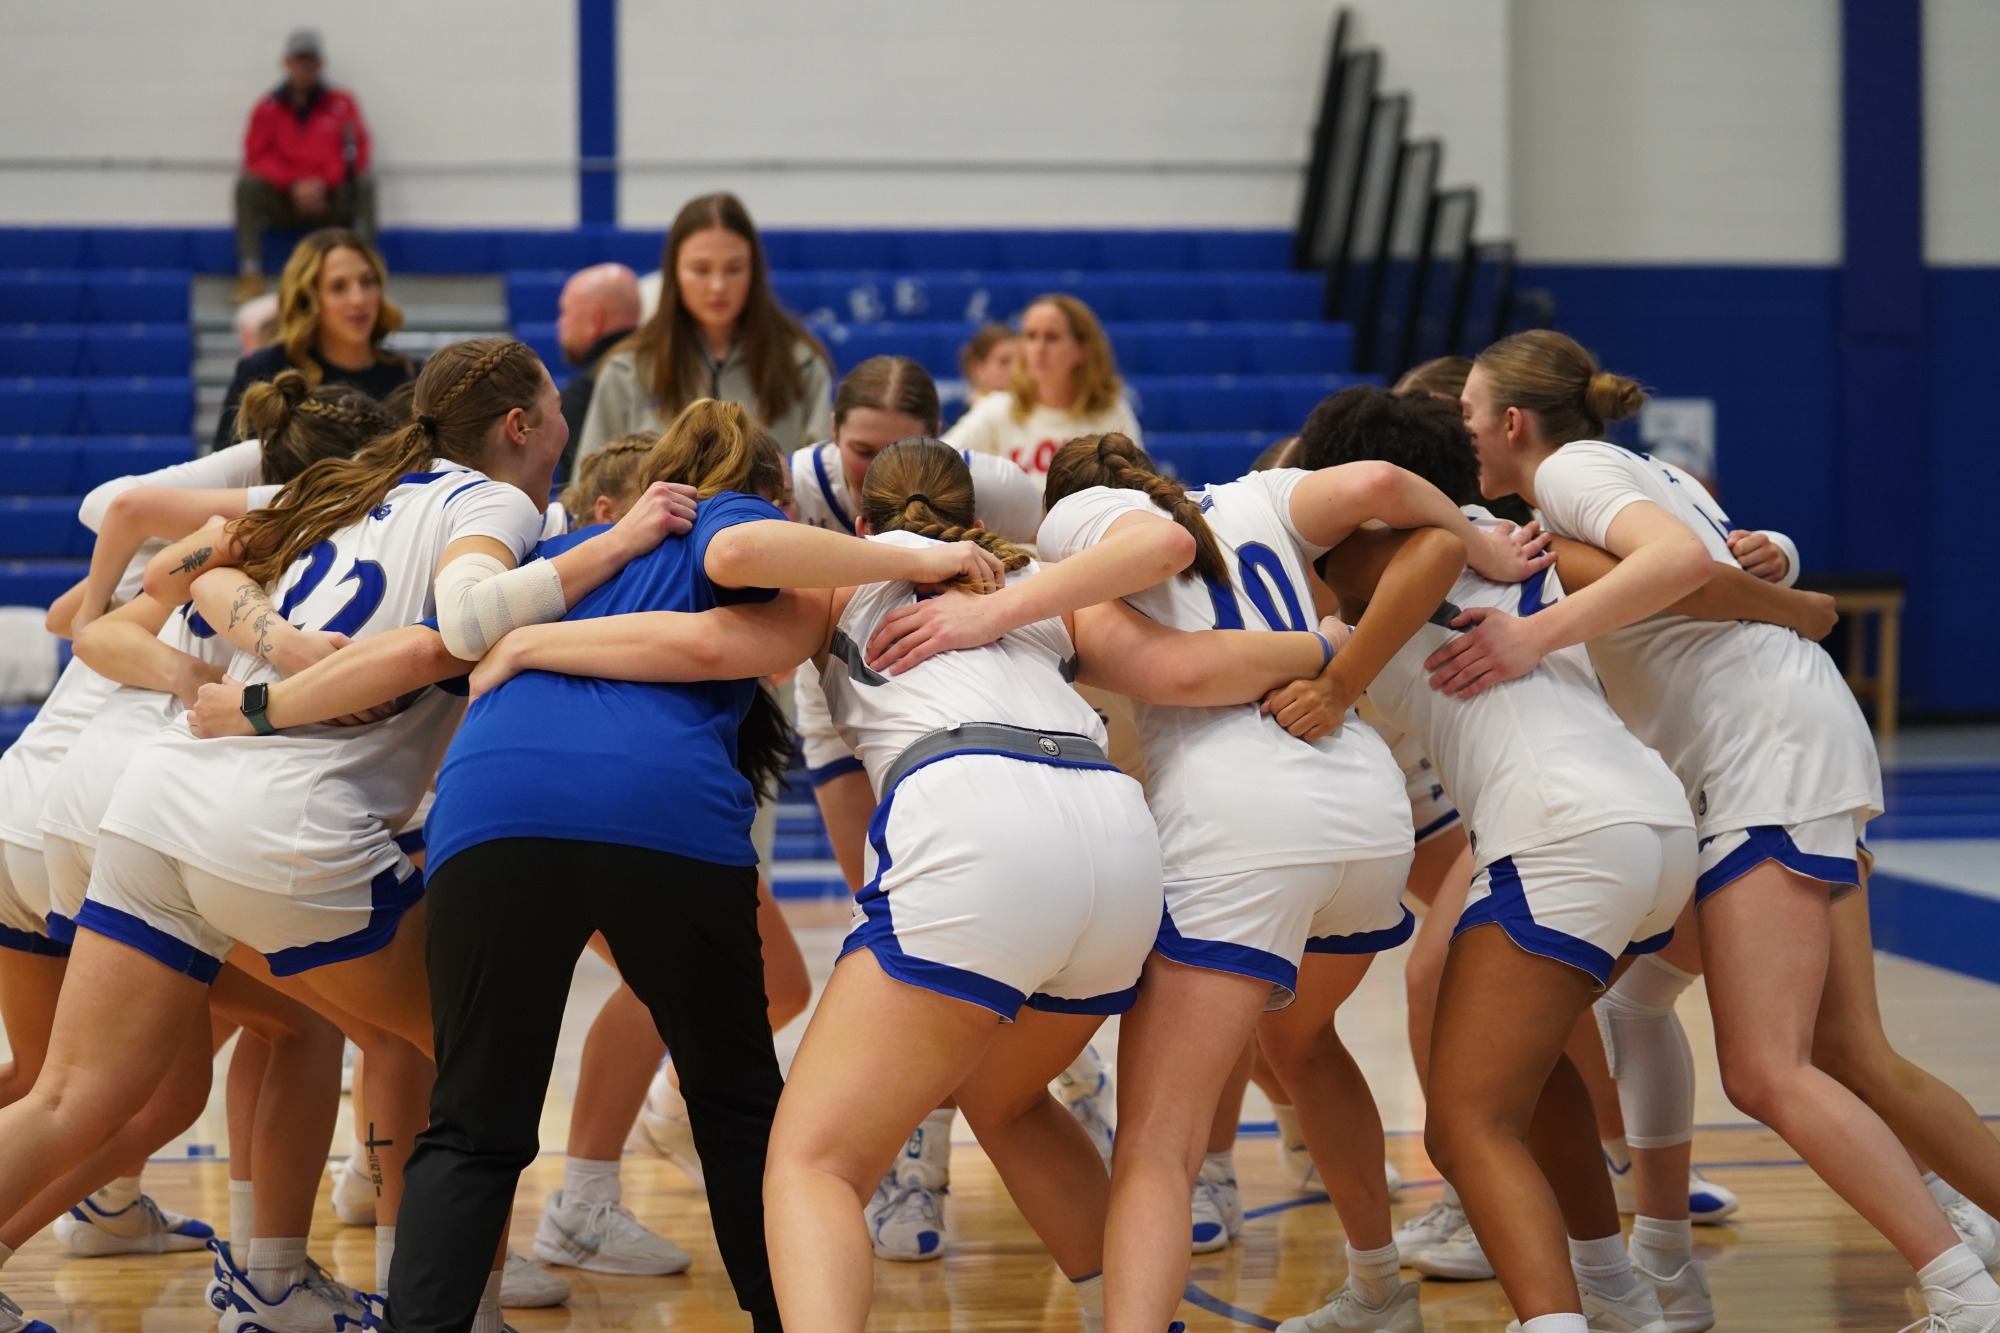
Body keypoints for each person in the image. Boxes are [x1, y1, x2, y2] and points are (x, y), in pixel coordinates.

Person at [470, 436, 1340, 1333]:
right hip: (1116, 843)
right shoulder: (1036, 580)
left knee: (812, 1164)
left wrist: (537, 639)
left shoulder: (841, 581)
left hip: (976, 823)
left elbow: (698, 641)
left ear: (858, 522)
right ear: (974, 518)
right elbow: (1186, 670)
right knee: (1005, 1100)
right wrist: (1323, 646)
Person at [1426, 329, 2000, 1333]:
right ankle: (1664, 1261)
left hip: (1762, 753)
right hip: (1784, 741)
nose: (1466, 432)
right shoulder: (1618, 473)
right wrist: (1781, 575)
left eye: (1470, 414)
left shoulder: (1571, 470)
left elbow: (1679, 561)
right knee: (1846, 1050)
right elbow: (1709, 565)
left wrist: (1529, 636)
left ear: (1511, 422)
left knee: (1766, 1068)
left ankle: (1956, 1287)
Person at [575, 192, 833, 464]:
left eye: (734, 269)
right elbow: (591, 489)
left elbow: (817, 484)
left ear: (754, 272)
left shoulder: (800, 364)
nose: (718, 286)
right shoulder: (627, 369)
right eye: (701, 269)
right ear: (674, 272)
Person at [214, 228, 416, 451]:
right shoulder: (265, 373)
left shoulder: (412, 377)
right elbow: (224, 474)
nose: (359, 299)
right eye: (338, 287)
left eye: (368, 282)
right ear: (307, 299)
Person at [234, 28, 374, 304]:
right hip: (285, 201)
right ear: (287, 62)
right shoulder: (268, 108)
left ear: (320, 64)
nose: (305, 67)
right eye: (299, 60)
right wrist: (294, 185)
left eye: (311, 61)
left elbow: (356, 151)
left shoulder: (341, 105)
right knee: (246, 186)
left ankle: (368, 275)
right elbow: (256, 156)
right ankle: (250, 274)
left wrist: (323, 184)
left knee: (365, 185)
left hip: (329, 201)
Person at [943, 295, 1141, 487]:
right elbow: (938, 460)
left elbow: (1136, 486)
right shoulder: (998, 408)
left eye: (1051, 337)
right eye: (1031, 336)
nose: (1039, 348)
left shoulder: (1111, 412)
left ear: (1083, 348)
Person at [554, 264, 644, 477]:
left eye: (565, 312)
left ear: (595, 319)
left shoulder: (584, 392)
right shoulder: (673, 370)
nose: (560, 323)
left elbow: (583, 493)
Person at [958, 322, 1018, 404]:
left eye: (1020, 362)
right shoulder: (968, 414)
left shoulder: (1032, 410)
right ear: (976, 367)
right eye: (1004, 362)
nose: (1014, 370)